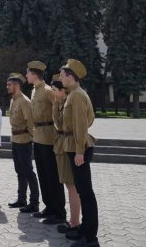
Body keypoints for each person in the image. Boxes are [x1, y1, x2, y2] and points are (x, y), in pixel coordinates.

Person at [60, 59, 99, 247]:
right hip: (75, 146)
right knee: (83, 192)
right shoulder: (74, 93)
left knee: (86, 193)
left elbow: (81, 125)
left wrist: (79, 151)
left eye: (62, 76)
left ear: (70, 77)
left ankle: (91, 238)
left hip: (79, 147)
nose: (60, 79)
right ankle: (84, 228)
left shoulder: (76, 95)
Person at [27, 60, 66, 224]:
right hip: (38, 135)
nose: (26, 75)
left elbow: (60, 107)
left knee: (52, 174)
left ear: (35, 75)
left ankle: (59, 212)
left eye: (28, 73)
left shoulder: (48, 91)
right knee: (43, 174)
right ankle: (49, 206)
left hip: (49, 135)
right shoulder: (34, 91)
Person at [51, 73, 82, 237]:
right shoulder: (61, 102)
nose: (53, 93)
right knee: (68, 185)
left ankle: (75, 221)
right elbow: (56, 122)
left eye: (55, 90)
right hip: (61, 145)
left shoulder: (72, 100)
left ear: (63, 90)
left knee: (72, 186)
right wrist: (56, 103)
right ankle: (73, 220)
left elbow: (69, 125)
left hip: (68, 145)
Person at [6, 73, 40, 213]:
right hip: (15, 140)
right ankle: (22, 199)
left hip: (24, 140)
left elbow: (31, 123)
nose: (7, 87)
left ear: (17, 86)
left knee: (28, 171)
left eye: (9, 85)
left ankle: (34, 202)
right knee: (19, 171)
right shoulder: (13, 100)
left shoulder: (24, 101)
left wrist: (33, 140)